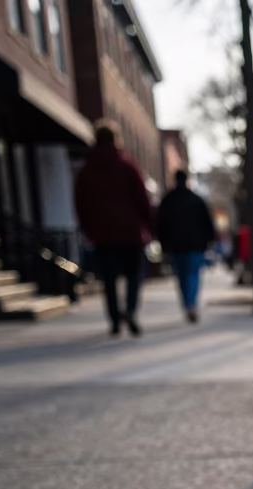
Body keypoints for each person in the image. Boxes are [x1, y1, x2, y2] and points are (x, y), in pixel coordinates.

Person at [74, 119, 154, 337]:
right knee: (134, 276)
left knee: (109, 280)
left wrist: (88, 230)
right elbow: (142, 200)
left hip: (103, 235)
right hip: (130, 233)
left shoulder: (86, 170)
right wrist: (150, 226)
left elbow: (80, 205)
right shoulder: (127, 166)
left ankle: (115, 318)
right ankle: (130, 311)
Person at [157, 170, 216, 323]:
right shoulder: (196, 200)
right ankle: (191, 304)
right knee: (193, 275)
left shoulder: (168, 200)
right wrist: (210, 241)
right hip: (195, 245)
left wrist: (163, 244)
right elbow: (207, 222)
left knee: (182, 276)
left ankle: (187, 303)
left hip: (175, 246)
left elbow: (159, 224)